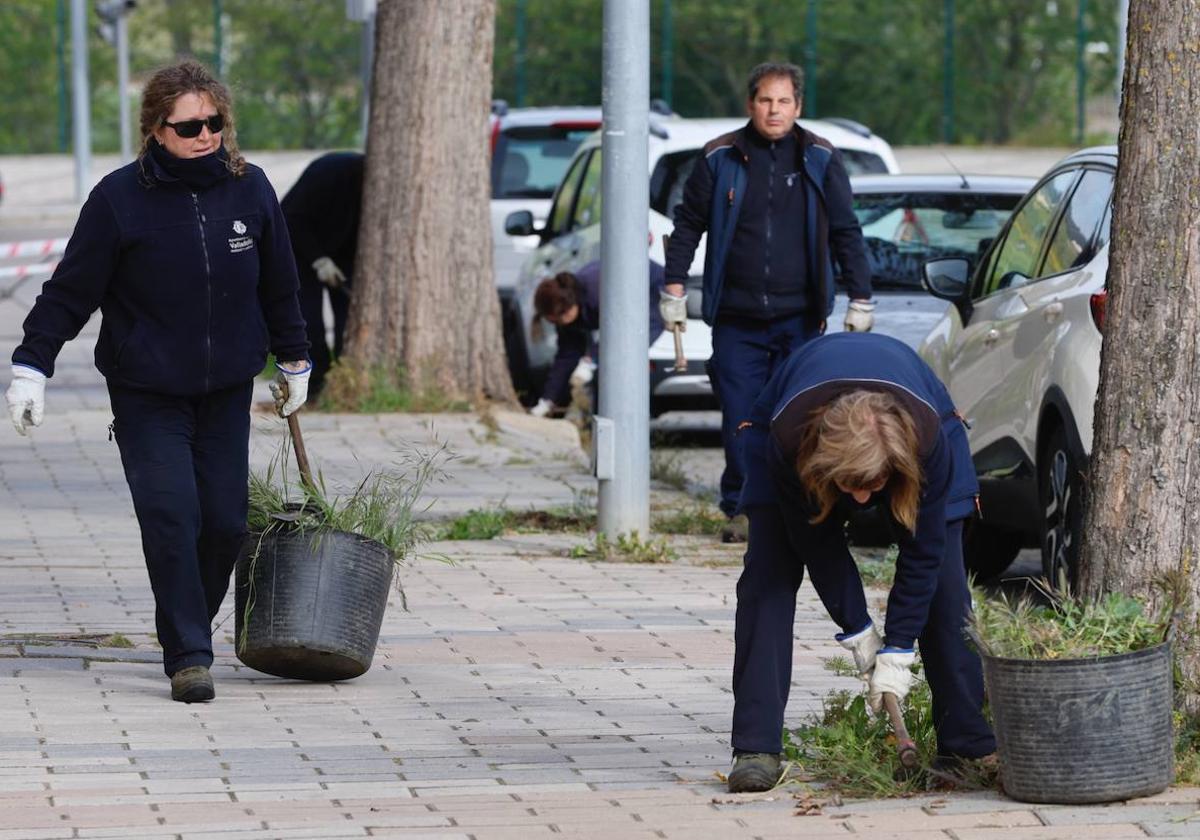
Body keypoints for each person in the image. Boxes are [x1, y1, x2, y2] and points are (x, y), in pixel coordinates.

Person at [4, 60, 311, 704]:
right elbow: (70, 291)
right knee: (172, 512)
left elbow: (280, 281)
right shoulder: (119, 200)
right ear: (156, 130)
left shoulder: (249, 189)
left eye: (215, 122)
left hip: (226, 386)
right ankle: (189, 654)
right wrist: (32, 366)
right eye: (190, 125)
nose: (206, 135)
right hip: (147, 391)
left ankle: (187, 622)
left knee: (224, 522)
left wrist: (296, 360)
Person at [725, 332, 995, 793]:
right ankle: (756, 747)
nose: (864, 499)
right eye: (851, 487)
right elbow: (818, 545)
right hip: (788, 434)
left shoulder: (929, 444)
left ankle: (966, 741)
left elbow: (924, 553)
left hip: (919, 439)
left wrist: (899, 647)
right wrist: (859, 631)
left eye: (874, 486)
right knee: (767, 580)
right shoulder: (790, 443)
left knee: (947, 589)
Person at [661, 62, 874, 544]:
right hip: (736, 319)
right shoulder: (720, 158)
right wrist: (673, 286)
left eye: (783, 102)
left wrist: (860, 296)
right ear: (750, 104)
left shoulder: (819, 157)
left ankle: (793, 507)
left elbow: (845, 230)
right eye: (764, 100)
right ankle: (742, 508)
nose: (773, 110)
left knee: (797, 418)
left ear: (797, 107)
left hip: (801, 318)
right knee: (741, 416)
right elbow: (689, 222)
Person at [528, 258, 666, 417]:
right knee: (602, 367)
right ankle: (601, 423)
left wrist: (590, 360)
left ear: (566, 310)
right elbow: (567, 355)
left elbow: (619, 334)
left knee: (623, 355)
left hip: (653, 293)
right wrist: (548, 400)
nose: (558, 324)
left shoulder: (597, 291)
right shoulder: (570, 310)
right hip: (627, 309)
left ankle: (628, 423)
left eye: (558, 320)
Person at [281, 151, 365, 399]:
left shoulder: (377, 189)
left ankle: (342, 374)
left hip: (343, 251)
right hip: (299, 248)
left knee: (347, 315)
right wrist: (318, 258)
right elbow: (293, 219)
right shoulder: (331, 173)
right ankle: (314, 383)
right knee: (308, 320)